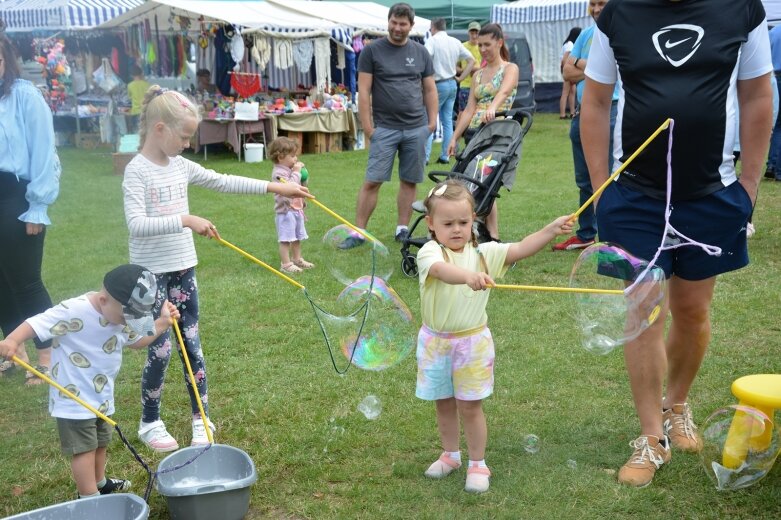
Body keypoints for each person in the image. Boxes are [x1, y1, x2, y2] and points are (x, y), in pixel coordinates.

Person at [580, 0, 772, 487]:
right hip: (634, 196)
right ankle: (650, 437)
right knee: (643, 311)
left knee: (692, 310)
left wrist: (749, 185)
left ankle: (676, 405)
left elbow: (756, 97)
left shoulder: (741, 10)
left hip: (711, 192)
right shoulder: (617, 14)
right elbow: (597, 101)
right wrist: (602, 190)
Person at [123, 85, 311, 452]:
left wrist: (278, 188)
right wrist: (186, 219)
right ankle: (150, 421)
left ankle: (201, 418)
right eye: (184, 136)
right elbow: (136, 224)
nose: (188, 144)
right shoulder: (137, 171)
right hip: (149, 275)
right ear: (159, 129)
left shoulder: (180, 165)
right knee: (158, 348)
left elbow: (223, 181)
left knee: (191, 344)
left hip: (182, 270)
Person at [416, 179, 572, 493]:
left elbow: (519, 249)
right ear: (431, 224)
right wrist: (468, 277)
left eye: (463, 221)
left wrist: (549, 230)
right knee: (443, 403)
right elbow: (441, 272)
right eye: (448, 223)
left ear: (474, 220)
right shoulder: (429, 251)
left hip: (472, 343)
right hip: (435, 343)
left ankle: (477, 463)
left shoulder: (484, 253)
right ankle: (450, 455)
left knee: (470, 406)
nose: (457, 229)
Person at [0, 264, 180, 498]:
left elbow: (137, 340)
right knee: (84, 449)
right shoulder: (73, 310)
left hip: (101, 394)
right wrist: (13, 339)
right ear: (104, 300)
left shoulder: (120, 315)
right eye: (125, 318)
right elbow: (37, 323)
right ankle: (88, 498)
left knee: (101, 442)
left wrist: (162, 323)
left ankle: (100, 482)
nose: (127, 324)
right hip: (73, 397)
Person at [345, 2, 437, 248]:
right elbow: (363, 91)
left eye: (402, 24)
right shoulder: (372, 51)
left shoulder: (421, 52)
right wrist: (368, 127)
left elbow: (429, 88)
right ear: (388, 22)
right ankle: (358, 232)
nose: (397, 28)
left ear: (411, 25)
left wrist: (431, 122)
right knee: (372, 180)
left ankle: (402, 229)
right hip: (384, 128)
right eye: (394, 23)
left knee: (409, 180)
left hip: (416, 128)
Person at [0, 32, 60, 386]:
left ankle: (47, 357)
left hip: (16, 196)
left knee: (25, 283)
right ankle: (13, 350)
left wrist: (37, 205)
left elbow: (45, 153)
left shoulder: (24, 96)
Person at [552, 0, 618, 252]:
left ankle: (611, 236)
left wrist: (580, 62)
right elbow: (566, 72)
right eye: (593, 4)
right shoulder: (586, 34)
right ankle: (587, 234)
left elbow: (615, 72)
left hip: (611, 110)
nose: (596, 8)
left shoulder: (621, 30)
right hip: (581, 113)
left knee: (609, 176)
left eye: (601, 3)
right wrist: (590, 67)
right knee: (584, 179)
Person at [447, 23, 519, 241]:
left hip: (497, 133)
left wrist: (493, 107)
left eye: (487, 44)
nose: (483, 49)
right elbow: (468, 109)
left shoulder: (509, 68)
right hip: (475, 135)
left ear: (499, 42)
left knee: (485, 183)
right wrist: (454, 136)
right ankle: (474, 229)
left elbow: (505, 90)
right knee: (472, 181)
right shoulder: (477, 74)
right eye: (480, 45)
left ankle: (491, 235)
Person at [424, 17, 475, 165]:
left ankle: (425, 157)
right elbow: (471, 60)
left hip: (438, 84)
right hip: (452, 83)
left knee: (430, 120)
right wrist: (461, 78)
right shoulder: (455, 41)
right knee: (447, 121)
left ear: (433, 27)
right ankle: (445, 156)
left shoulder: (432, 41)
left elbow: (425, 59)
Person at [268, 136, 314, 274]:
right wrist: (297, 171)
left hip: (296, 210)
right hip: (286, 212)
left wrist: (304, 176)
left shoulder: (289, 169)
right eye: (293, 156)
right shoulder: (278, 173)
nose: (296, 159)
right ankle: (286, 264)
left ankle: (297, 259)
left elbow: (300, 186)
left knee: (297, 237)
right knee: (286, 239)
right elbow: (291, 186)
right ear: (281, 157)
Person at [765, 24, 781, 180]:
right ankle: (779, 170)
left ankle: (771, 164)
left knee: (776, 125)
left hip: (773, 77)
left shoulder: (774, 31)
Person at [456, 22, 483, 114]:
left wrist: (473, 69)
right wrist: (465, 70)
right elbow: (455, 67)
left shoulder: (483, 47)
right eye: (472, 33)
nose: (474, 35)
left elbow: (487, 67)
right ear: (468, 32)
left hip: (480, 85)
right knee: (463, 113)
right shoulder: (462, 47)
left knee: (478, 113)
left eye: (477, 33)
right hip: (465, 86)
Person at [559, 27, 581, 119]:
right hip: (568, 72)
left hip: (567, 71)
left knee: (572, 92)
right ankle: (562, 114)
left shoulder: (567, 44)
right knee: (566, 93)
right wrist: (567, 72)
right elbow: (565, 59)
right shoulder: (570, 45)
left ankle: (572, 112)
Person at [127, 64, 150, 133]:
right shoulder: (147, 84)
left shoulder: (130, 85)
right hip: (146, 111)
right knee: (146, 132)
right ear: (141, 73)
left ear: (131, 75)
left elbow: (130, 97)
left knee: (136, 133)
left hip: (135, 111)